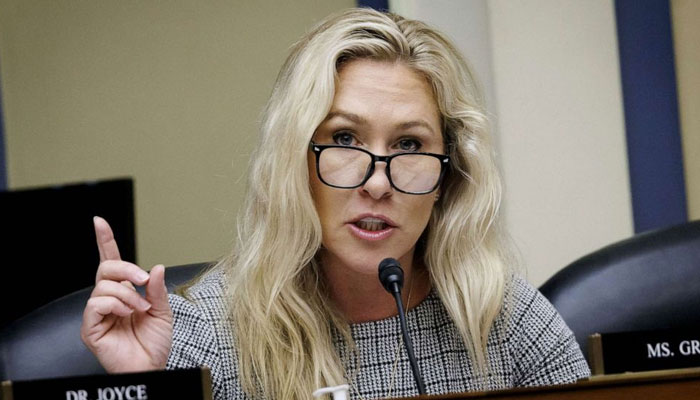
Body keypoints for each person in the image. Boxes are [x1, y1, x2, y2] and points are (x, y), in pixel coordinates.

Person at [81, 8, 590, 400]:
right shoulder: (209, 337)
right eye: (345, 139)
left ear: (447, 177)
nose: (377, 183)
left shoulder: (504, 318)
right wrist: (147, 389)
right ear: (295, 163)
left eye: (409, 145)